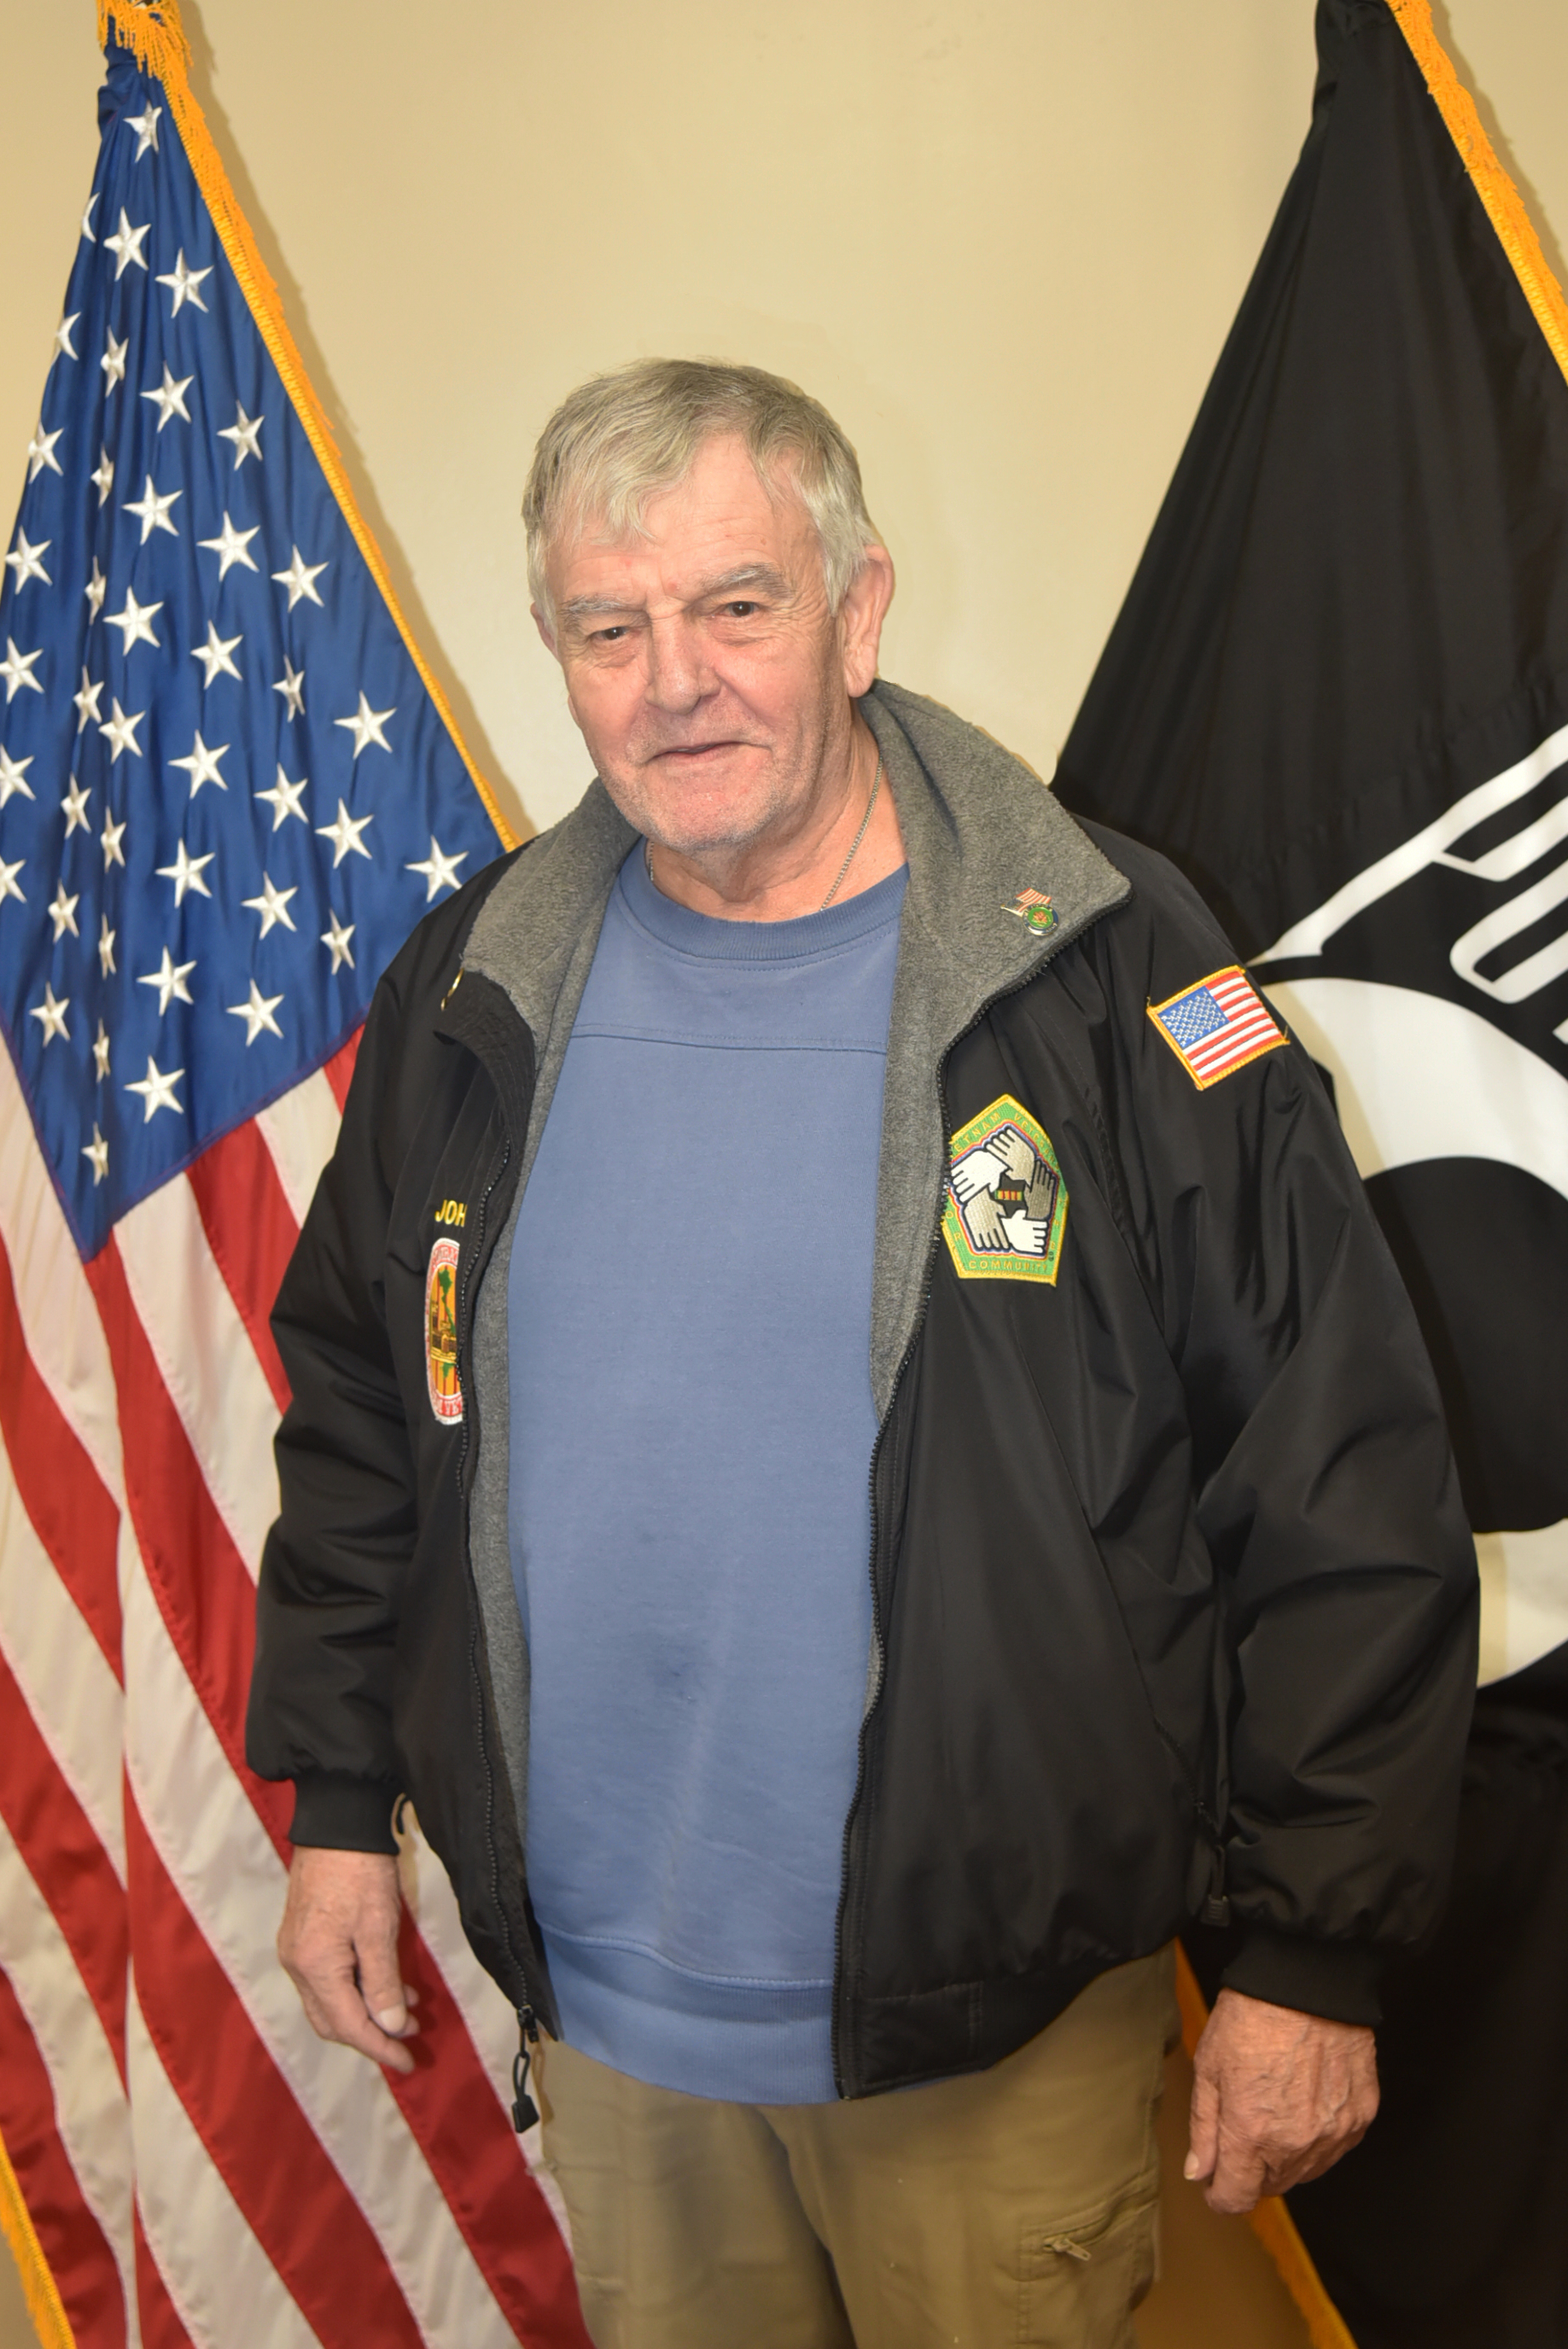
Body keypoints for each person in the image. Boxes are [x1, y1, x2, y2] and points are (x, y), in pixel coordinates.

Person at [246, 358, 1478, 2348]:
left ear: (858, 606)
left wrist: (1315, 1952)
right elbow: (371, 1404)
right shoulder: (476, 980)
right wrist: (328, 1802)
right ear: (556, 650)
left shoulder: (1107, 963)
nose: (675, 682)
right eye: (608, 627)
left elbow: (1333, 1462)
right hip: (623, 2029)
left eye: (736, 606)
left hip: (983, 2028)